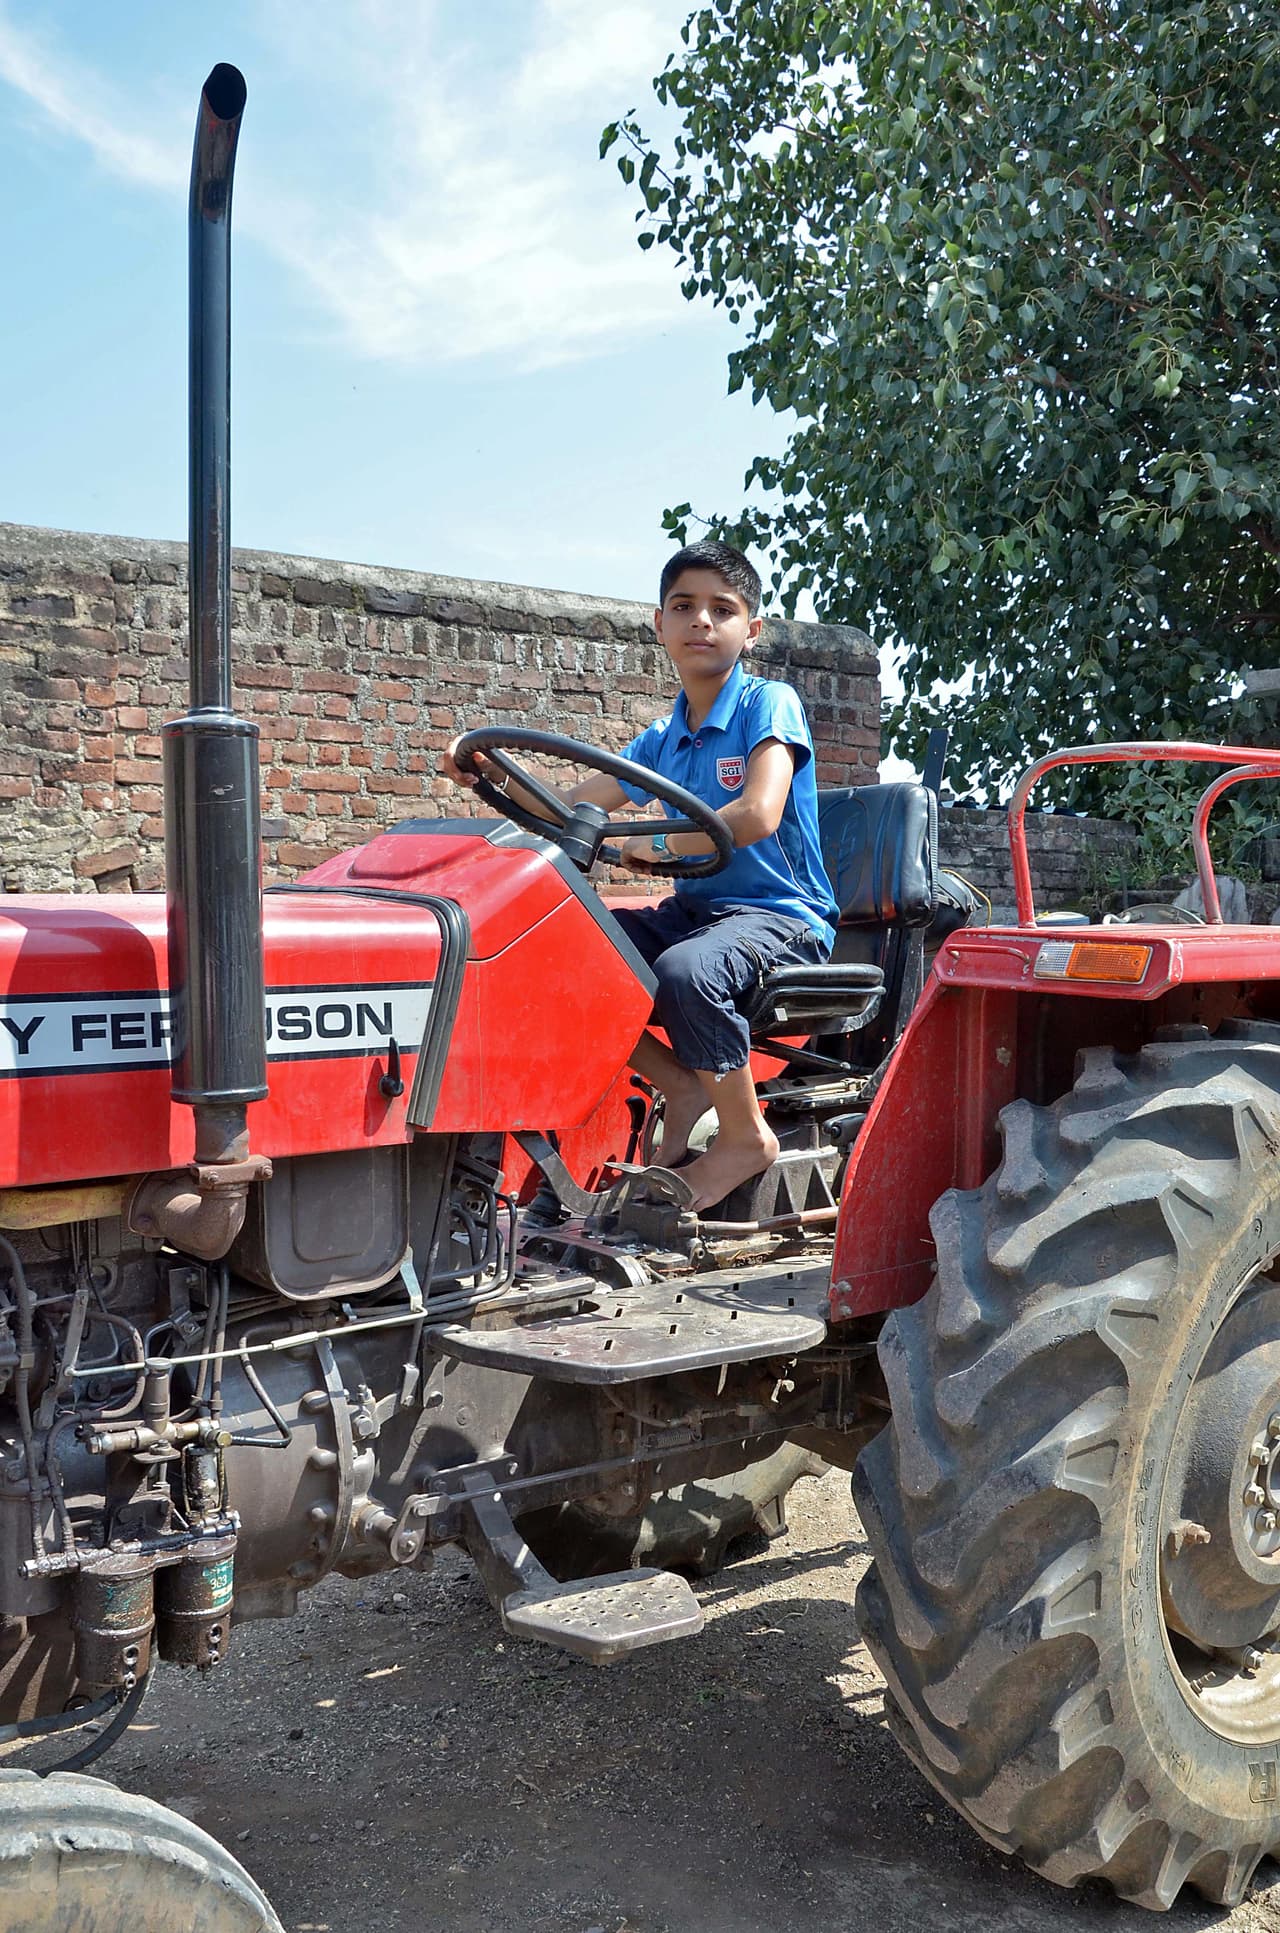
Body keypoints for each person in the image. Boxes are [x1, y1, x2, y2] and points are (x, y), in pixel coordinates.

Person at [442, 540, 839, 1215]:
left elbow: (759, 811)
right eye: (684, 606)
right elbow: (577, 805)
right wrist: (490, 772)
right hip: (702, 913)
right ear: (659, 624)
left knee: (688, 971)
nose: (702, 621)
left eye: (723, 608)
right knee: (569, 953)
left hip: (783, 917)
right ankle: (681, 1087)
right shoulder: (662, 737)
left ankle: (745, 1137)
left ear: (752, 629)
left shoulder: (767, 705)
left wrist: (658, 843)